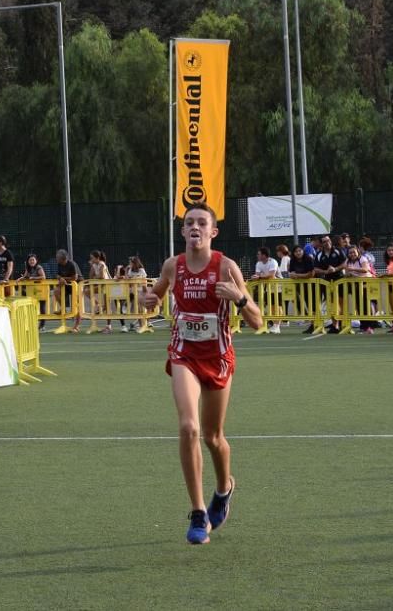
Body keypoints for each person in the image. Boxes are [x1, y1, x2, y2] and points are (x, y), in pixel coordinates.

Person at [140, 203, 261, 545]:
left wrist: (238, 298)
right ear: (183, 232)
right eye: (189, 222)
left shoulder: (226, 266)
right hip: (184, 355)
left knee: (213, 437)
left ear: (212, 232)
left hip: (218, 357)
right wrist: (146, 299)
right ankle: (197, 513)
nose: (194, 227)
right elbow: (155, 295)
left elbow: (258, 320)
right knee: (188, 427)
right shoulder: (172, 266)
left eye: (201, 222)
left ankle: (224, 489)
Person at [312, 235, 347, 334]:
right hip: (326, 281)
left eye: (328, 240)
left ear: (330, 241)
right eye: (324, 241)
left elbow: (345, 263)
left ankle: (343, 324)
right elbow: (315, 268)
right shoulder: (319, 255)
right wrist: (325, 271)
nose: (327, 242)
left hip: (339, 279)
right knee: (331, 304)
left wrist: (335, 269)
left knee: (341, 302)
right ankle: (335, 325)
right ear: (321, 244)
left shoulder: (338, 251)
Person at [54, 249, 82, 332]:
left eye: (57, 257)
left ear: (63, 258)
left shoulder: (72, 264)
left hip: (76, 285)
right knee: (56, 291)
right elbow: (57, 275)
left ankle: (76, 326)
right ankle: (63, 308)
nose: (56, 258)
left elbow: (75, 278)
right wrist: (60, 278)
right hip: (66, 285)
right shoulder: (59, 264)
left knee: (76, 305)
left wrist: (63, 278)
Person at [87, 250, 112, 333]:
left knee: (107, 306)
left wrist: (95, 277)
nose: (91, 260)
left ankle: (108, 326)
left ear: (97, 258)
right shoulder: (94, 265)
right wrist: (91, 267)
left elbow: (101, 276)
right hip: (101, 285)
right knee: (87, 291)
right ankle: (98, 304)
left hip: (108, 285)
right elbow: (90, 276)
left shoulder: (102, 264)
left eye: (92, 258)